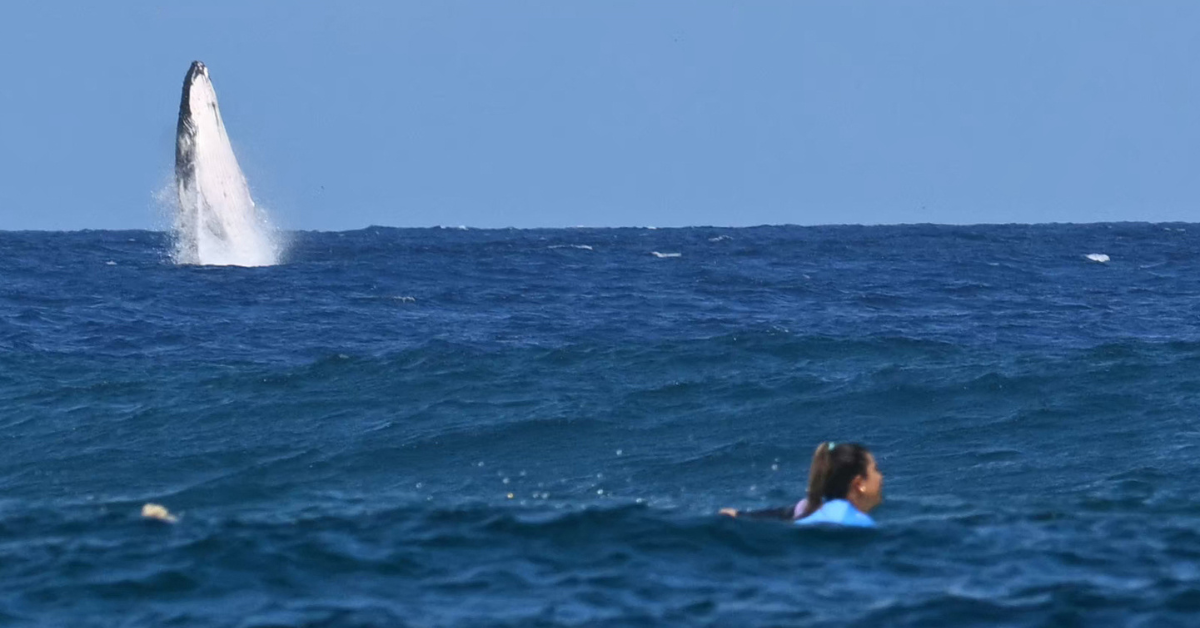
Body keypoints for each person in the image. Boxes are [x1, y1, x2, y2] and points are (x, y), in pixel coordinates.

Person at [720, 441, 883, 528]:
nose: (880, 477)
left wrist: (738, 515)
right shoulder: (857, 522)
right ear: (859, 483)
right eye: (875, 469)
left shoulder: (807, 508)